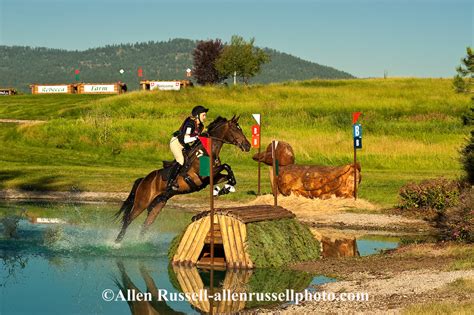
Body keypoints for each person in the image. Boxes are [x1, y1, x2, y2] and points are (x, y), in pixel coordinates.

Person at [167, 105, 208, 191]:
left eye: (205, 115)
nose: (205, 117)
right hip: (177, 143)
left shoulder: (201, 126)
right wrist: (198, 137)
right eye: (203, 115)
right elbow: (186, 139)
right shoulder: (190, 123)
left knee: (198, 156)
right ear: (197, 116)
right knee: (181, 160)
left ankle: (205, 173)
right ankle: (171, 182)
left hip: (185, 145)